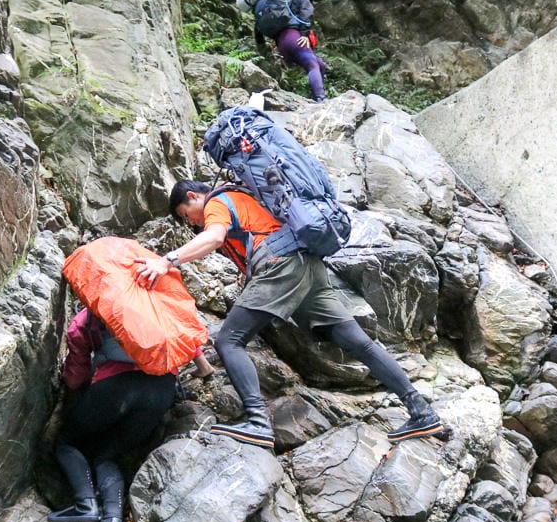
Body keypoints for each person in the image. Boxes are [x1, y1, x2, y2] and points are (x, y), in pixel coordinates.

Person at [133, 181, 443, 448]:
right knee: (359, 343)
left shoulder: (217, 201)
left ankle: (257, 421)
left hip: (280, 265)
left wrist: (167, 260)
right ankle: (420, 410)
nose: (193, 224)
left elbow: (213, 237)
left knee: (229, 340)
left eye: (188, 216)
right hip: (309, 265)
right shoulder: (248, 195)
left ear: (191, 197)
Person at [46, 307, 213, 522]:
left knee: (67, 442)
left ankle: (85, 504)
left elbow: (76, 375)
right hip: (160, 390)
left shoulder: (92, 313)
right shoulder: (159, 304)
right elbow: (189, 337)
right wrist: (204, 368)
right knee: (109, 455)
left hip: (114, 387)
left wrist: (74, 392)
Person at [255, 0, 329, 102]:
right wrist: (304, 34)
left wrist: (261, 45)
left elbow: (258, 26)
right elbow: (307, 13)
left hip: (282, 44)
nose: (313, 2)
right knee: (312, 65)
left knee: (320, 65)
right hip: (294, 37)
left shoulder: (277, 4)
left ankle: (316, 94)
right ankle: (320, 98)